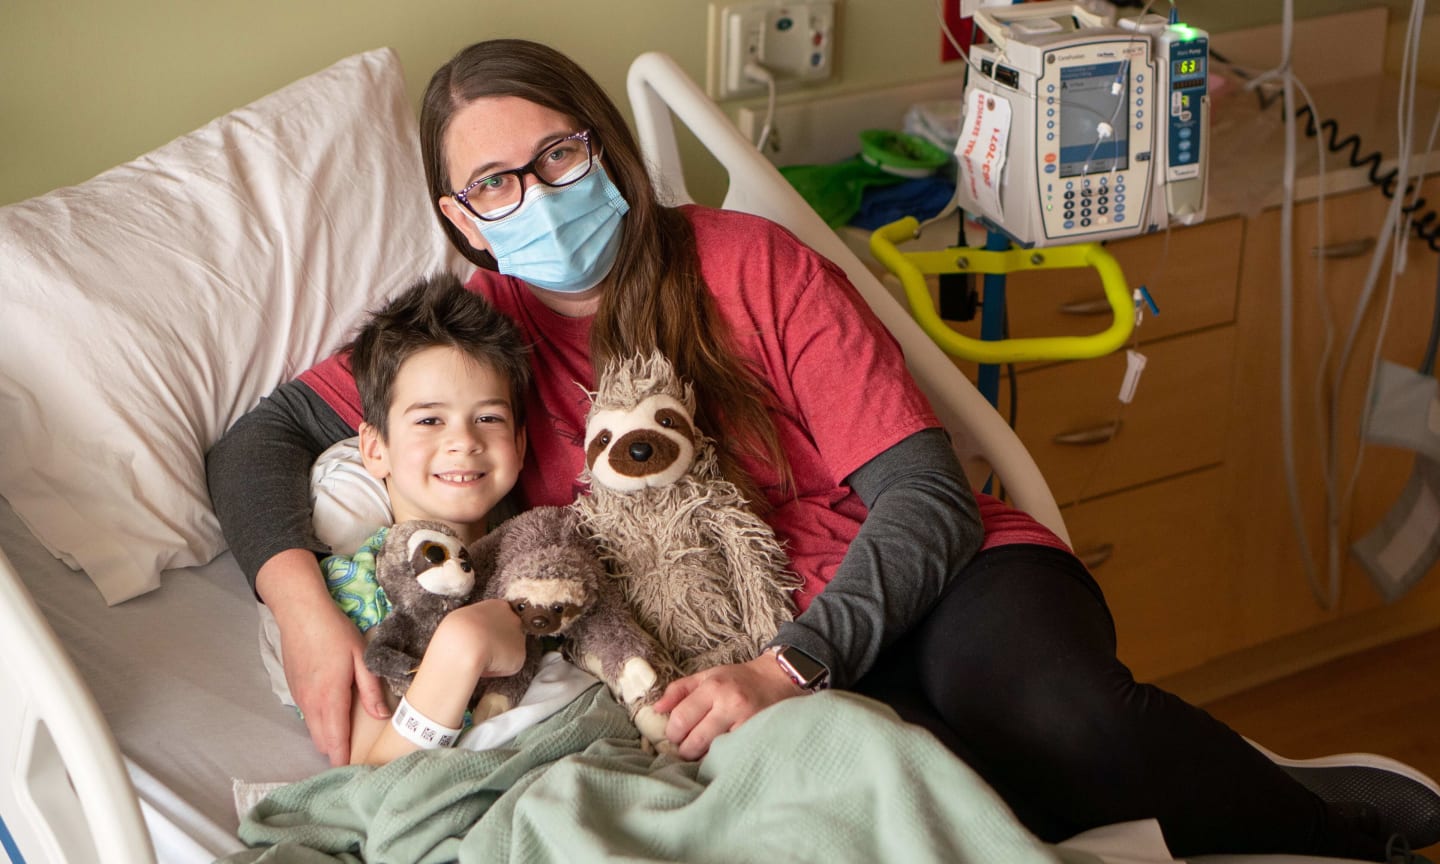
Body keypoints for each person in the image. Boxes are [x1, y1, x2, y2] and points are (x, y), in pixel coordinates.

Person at [206, 38, 1440, 861]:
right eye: (494, 185)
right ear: (457, 219)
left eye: (561, 157)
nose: (536, 196)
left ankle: (1321, 823)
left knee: (1050, 712)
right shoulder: (475, 350)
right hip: (738, 661)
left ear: (607, 149)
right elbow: (258, 441)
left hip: (932, 580)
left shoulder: (748, 262)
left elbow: (926, 498)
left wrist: (788, 670)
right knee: (937, 795)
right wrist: (306, 609)